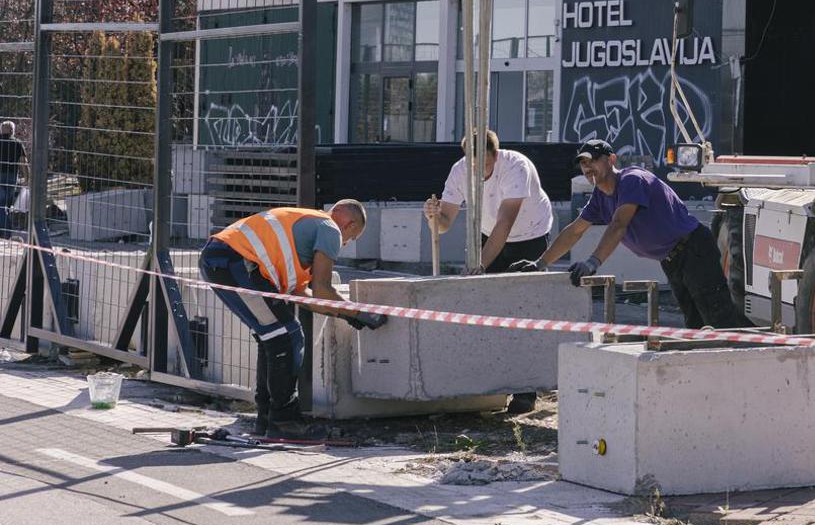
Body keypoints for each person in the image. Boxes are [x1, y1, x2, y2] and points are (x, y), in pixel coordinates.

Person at [200, 200, 385, 436]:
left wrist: (346, 314)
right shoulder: (330, 229)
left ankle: (267, 419)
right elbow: (322, 290)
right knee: (286, 335)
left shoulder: (303, 231)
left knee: (273, 335)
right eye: (351, 236)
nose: (345, 243)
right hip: (237, 262)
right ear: (348, 223)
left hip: (223, 260)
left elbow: (305, 296)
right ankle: (284, 421)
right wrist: (358, 313)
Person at [541, 139, 747, 329]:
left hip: (693, 249)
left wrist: (593, 263)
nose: (588, 168)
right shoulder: (599, 196)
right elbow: (575, 230)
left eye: (594, 160)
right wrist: (541, 263)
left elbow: (619, 224)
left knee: (718, 318)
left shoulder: (632, 180)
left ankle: (744, 359)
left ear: (611, 159)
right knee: (695, 323)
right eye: (584, 163)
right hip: (671, 259)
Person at [424, 129, 554, 412]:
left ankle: (525, 390)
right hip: (487, 231)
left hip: (529, 235)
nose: (479, 170)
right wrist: (433, 217)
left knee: (523, 309)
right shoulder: (460, 171)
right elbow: (444, 222)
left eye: (484, 164)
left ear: (496, 155)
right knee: (486, 305)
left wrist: (479, 265)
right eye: (473, 165)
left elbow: (505, 224)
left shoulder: (515, 166)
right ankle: (488, 381)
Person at [0, 122, 24, 238]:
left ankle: (6, 233)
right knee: (7, 206)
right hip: (12, 177)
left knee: (1, 206)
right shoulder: (17, 143)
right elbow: (23, 162)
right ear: (12, 131)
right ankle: (5, 232)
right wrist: (27, 177)